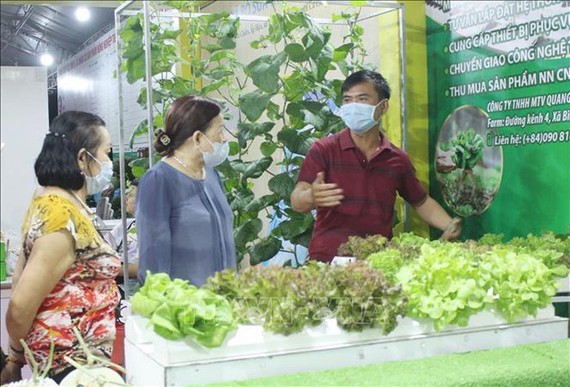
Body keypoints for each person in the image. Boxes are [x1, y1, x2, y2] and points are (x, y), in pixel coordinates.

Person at [291, 70, 462, 263]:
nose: (353, 106)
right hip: (328, 262)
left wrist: (449, 225)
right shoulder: (323, 150)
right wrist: (311, 196)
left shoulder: (397, 159)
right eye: (348, 100)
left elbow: (421, 202)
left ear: (383, 106)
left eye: (362, 99)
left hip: (376, 262)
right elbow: (297, 201)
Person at [0, 111, 120, 384]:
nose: (109, 162)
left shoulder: (54, 199)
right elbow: (19, 303)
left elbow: (21, 274)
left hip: (79, 359)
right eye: (106, 152)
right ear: (82, 158)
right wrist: (14, 358)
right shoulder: (60, 216)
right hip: (72, 361)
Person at [136, 95, 237, 286]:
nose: (224, 139)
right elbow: (153, 258)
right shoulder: (159, 179)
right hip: (185, 307)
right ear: (198, 137)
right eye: (220, 131)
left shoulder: (212, 176)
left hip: (223, 303)